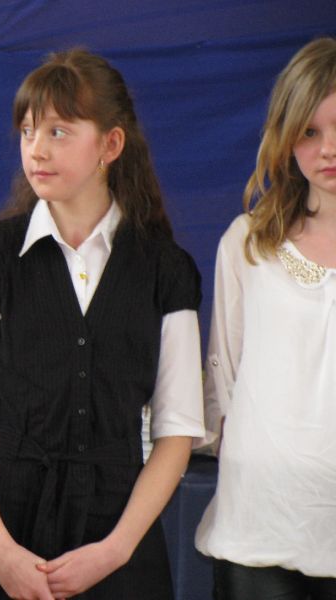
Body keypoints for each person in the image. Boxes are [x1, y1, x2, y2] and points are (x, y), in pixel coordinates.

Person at [0, 48, 205, 599]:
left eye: (58, 131)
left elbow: (177, 430)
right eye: (28, 131)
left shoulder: (166, 270)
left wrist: (116, 550)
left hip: (117, 534)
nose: (36, 149)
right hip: (1, 535)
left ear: (111, 144)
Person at [194, 37, 336, 599]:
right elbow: (222, 377)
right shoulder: (248, 244)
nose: (328, 149)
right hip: (259, 524)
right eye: (309, 131)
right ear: (285, 136)